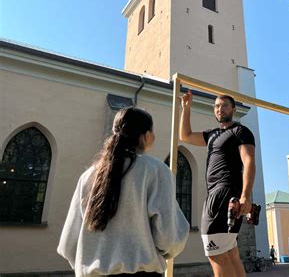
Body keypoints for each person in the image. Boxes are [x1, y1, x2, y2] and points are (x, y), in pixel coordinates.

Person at [57, 107, 189, 276]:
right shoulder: (156, 171)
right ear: (146, 136)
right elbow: (169, 238)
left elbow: (69, 244)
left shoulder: (89, 175)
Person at [179, 91, 256, 277]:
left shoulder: (240, 131)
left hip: (224, 193)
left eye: (224, 106)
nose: (220, 109)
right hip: (216, 193)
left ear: (233, 109)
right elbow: (185, 136)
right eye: (217, 106)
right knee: (230, 253)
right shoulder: (212, 134)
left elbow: (249, 162)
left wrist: (245, 195)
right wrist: (186, 109)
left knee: (215, 253)